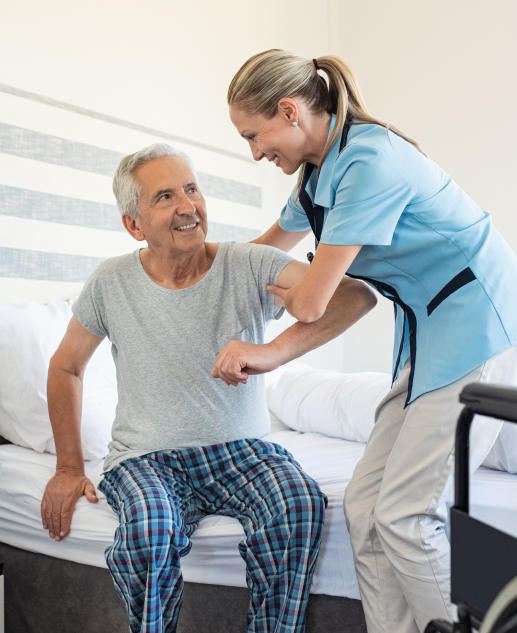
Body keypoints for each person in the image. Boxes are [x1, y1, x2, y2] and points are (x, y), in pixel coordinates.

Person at [227, 49, 517, 633]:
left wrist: (268, 339)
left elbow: (311, 301)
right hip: (427, 332)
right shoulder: (316, 173)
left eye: (254, 136)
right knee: (364, 508)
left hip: (476, 323)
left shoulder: (369, 161)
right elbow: (262, 254)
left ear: (289, 112)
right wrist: (195, 271)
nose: (256, 153)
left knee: (407, 518)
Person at [40, 143, 375, 633]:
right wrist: (69, 467)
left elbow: (354, 297)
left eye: (192, 189)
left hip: (244, 452)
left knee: (298, 503)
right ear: (134, 225)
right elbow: (66, 367)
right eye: (166, 197)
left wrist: (273, 351)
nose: (187, 206)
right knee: (151, 531)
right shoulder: (110, 282)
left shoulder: (250, 264)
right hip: (146, 457)